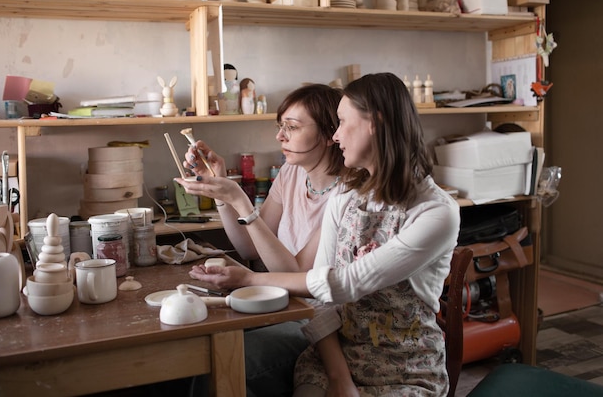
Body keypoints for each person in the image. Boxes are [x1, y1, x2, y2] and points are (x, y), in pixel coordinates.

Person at [188, 72, 461, 396]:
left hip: (404, 369)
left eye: (343, 123)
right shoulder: (347, 199)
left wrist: (248, 279)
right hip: (334, 356)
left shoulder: (436, 213)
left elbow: (342, 284)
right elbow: (321, 299)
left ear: (375, 122)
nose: (336, 136)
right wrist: (338, 379)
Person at [176, 83, 350, 397]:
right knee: (186, 344)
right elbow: (248, 247)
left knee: (225, 361)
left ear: (330, 135)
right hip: (279, 303)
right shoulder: (292, 173)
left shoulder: (347, 194)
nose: (280, 136)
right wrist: (221, 190)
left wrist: (241, 201)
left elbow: (297, 274)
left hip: (322, 323)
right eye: (280, 126)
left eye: (292, 128)